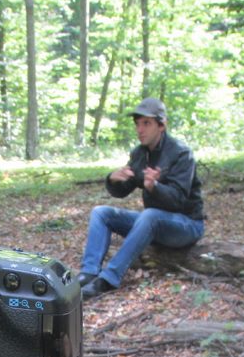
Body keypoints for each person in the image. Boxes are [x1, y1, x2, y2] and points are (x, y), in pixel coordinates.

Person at [78, 97, 205, 300]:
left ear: (161, 125)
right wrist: (113, 180)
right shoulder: (139, 154)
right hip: (153, 223)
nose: (140, 129)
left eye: (146, 123)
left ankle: (108, 279)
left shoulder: (181, 154)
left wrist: (155, 187)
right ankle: (88, 273)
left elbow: (179, 200)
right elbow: (123, 191)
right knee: (101, 213)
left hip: (187, 225)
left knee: (150, 215)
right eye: (137, 124)